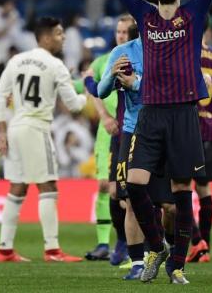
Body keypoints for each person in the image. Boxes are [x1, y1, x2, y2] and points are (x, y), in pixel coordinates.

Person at [97, 0, 212, 284]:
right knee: (135, 184)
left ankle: (177, 265)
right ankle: (156, 247)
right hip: (151, 114)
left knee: (181, 191)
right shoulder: (143, 15)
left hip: (185, 113)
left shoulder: (194, 13)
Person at [0, 17, 86, 263]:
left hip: (15, 128)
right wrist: (86, 91)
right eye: (58, 33)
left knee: (18, 187)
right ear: (45, 37)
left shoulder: (16, 60)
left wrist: (1, 131)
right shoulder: (55, 65)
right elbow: (75, 106)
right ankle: (53, 250)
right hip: (36, 128)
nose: (63, 37)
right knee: (48, 186)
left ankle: (4, 249)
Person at [97, 23, 176, 281]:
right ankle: (138, 263)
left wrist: (135, 83)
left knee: (169, 205)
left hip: (164, 131)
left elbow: (170, 90)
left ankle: (169, 250)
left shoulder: (170, 50)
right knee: (131, 199)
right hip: (133, 131)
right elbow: (101, 90)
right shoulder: (123, 51)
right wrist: (112, 74)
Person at [83, 14, 134, 262]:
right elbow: (90, 84)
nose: (121, 36)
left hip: (135, 129)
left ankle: (142, 246)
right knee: (109, 187)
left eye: (125, 32)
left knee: (135, 192)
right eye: (118, 31)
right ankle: (108, 242)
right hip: (110, 132)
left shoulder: (141, 57)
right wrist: (104, 116)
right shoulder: (106, 60)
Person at [187, 18, 212, 263]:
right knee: (203, 189)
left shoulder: (183, 53)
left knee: (175, 187)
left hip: (186, 127)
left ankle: (196, 241)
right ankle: (206, 247)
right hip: (208, 127)